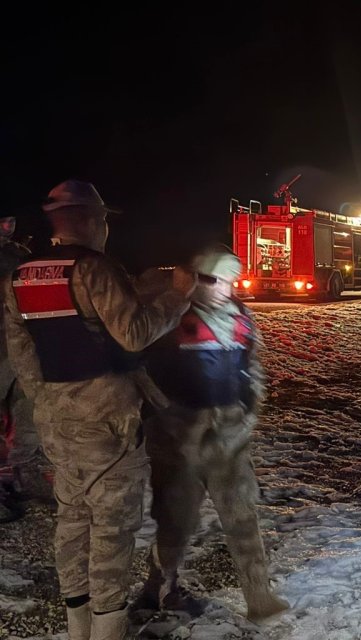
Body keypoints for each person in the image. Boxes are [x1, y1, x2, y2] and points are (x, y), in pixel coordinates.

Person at [3, 180, 195, 640]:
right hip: (108, 421)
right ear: (90, 220)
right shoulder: (94, 268)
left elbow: (21, 352)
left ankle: (78, 627)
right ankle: (108, 630)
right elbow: (134, 332)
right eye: (104, 219)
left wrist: (51, 403)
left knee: (72, 519)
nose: (106, 227)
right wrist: (179, 296)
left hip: (57, 418)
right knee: (112, 527)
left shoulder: (21, 274)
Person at [136, 245, 289, 622]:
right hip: (178, 438)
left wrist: (249, 413)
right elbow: (136, 369)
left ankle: (259, 597)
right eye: (216, 280)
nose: (225, 288)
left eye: (231, 281)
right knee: (174, 518)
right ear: (196, 279)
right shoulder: (167, 315)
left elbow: (252, 367)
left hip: (229, 434)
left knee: (241, 514)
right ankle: (158, 589)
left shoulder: (240, 316)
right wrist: (164, 417)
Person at [1, 215, 50, 522]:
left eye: (10, 220)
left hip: (19, 345)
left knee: (24, 413)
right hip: (9, 347)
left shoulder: (18, 255)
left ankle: (11, 477)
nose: (8, 226)